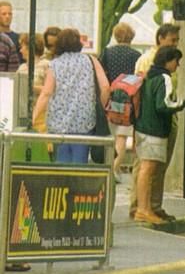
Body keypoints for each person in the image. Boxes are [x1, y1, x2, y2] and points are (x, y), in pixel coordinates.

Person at [32, 28, 110, 164]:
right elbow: (105, 87)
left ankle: (62, 183)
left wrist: (35, 115)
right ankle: (77, 183)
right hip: (84, 122)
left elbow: (46, 93)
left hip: (58, 123)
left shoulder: (55, 64)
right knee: (79, 163)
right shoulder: (90, 60)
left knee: (61, 163)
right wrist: (101, 107)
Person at [129, 23, 180, 221]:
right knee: (145, 165)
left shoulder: (169, 62)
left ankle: (154, 205)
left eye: (176, 41)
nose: (175, 44)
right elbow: (143, 92)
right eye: (172, 40)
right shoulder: (148, 61)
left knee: (160, 164)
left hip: (164, 119)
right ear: (160, 38)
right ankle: (140, 206)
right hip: (151, 122)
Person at [100, 22, 141, 182]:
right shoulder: (136, 55)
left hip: (110, 98)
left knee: (111, 134)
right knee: (122, 137)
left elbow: (102, 75)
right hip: (128, 100)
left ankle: (108, 167)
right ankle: (115, 168)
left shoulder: (107, 53)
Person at [17, 33, 50, 132]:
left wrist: (32, 87)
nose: (20, 50)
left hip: (42, 115)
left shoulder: (46, 65)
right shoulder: (21, 68)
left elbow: (50, 89)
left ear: (30, 48)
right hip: (23, 113)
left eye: (22, 47)